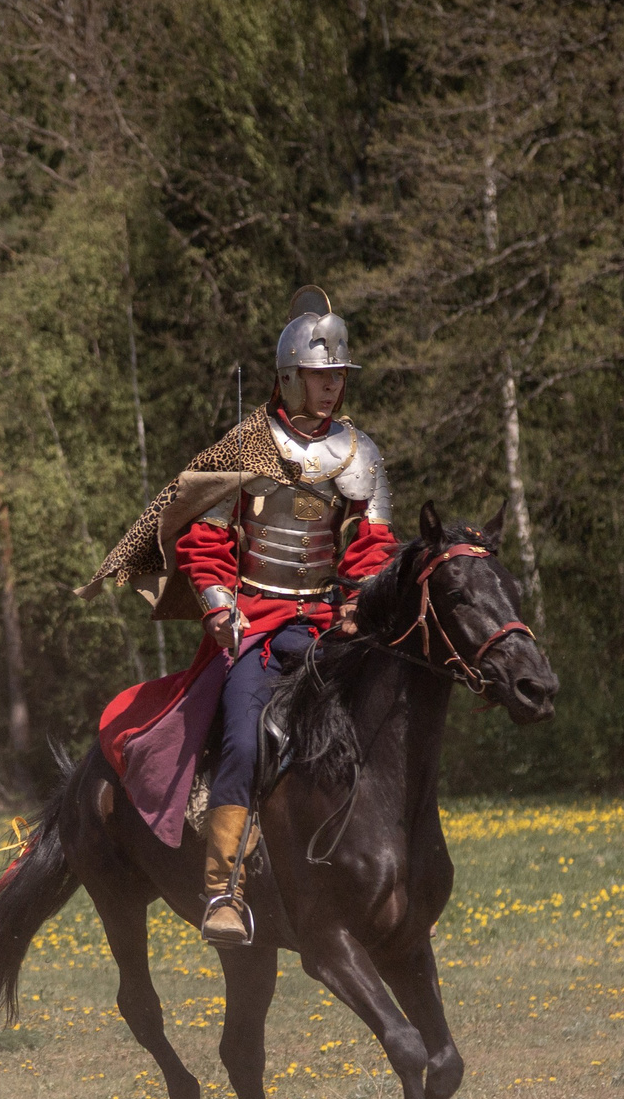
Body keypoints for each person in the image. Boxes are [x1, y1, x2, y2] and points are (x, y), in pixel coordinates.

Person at [75, 287, 398, 946]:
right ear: (289, 376)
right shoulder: (247, 447)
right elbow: (203, 540)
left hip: (330, 634)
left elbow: (372, 547)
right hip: (256, 630)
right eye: (319, 376)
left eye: (338, 377)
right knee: (246, 740)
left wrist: (360, 603)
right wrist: (220, 607)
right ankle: (223, 889)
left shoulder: (361, 455)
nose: (331, 388)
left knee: (383, 726)